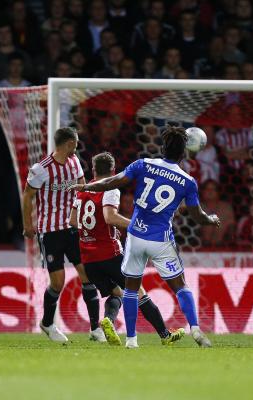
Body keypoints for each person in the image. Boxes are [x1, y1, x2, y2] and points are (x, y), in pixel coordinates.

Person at [69, 126, 220, 348]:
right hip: (161, 239)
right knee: (180, 286)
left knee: (130, 288)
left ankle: (131, 340)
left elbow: (112, 181)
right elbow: (197, 216)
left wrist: (86, 186)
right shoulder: (188, 181)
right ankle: (196, 330)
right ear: (184, 153)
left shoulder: (143, 164)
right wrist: (210, 219)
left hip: (136, 235)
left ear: (163, 147)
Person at [70, 152, 184, 346]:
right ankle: (165, 335)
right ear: (114, 171)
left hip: (88, 258)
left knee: (116, 294)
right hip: (110, 253)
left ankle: (108, 320)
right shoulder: (111, 189)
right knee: (139, 292)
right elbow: (110, 217)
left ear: (93, 169)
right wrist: (137, 226)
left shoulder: (82, 191)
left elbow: (73, 221)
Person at [22, 127, 103, 344]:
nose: (76, 148)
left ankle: (96, 328)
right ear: (68, 143)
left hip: (73, 228)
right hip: (50, 232)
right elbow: (27, 196)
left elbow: (83, 188)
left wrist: (88, 219)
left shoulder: (75, 162)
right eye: (75, 144)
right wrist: (28, 225)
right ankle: (47, 323)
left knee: (88, 275)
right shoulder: (41, 169)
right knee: (58, 282)